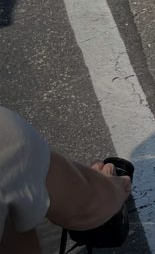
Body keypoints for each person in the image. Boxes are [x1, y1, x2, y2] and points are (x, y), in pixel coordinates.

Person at [0, 106, 132, 253]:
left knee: (12, 216)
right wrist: (111, 189)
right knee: (19, 208)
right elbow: (87, 207)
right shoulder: (7, 137)